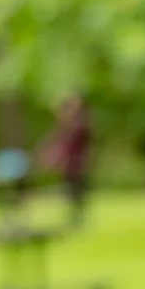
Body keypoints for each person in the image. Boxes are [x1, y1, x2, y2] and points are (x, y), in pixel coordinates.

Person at [40, 92, 94, 229]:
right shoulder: (68, 126)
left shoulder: (80, 124)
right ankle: (74, 218)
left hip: (78, 164)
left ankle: (78, 218)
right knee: (71, 192)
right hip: (70, 165)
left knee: (77, 192)